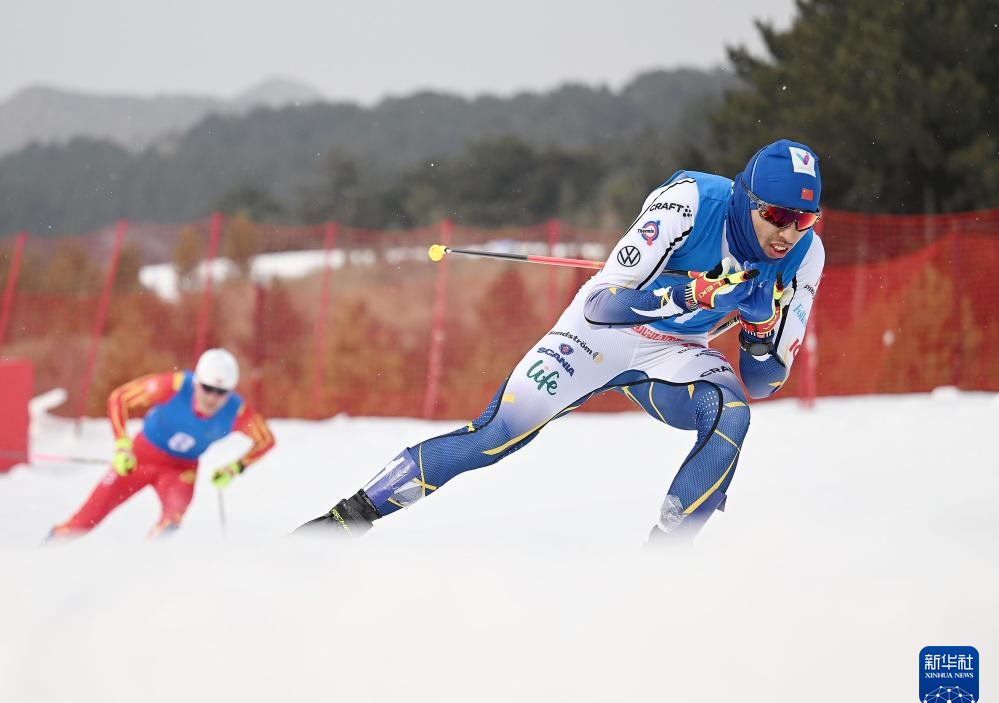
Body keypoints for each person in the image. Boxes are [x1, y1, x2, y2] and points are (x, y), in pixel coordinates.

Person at [297, 139, 824, 543]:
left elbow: (762, 380)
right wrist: (692, 292)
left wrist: (758, 332)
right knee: (496, 435)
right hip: (597, 334)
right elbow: (602, 304)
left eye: (804, 219)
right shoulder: (688, 203)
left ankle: (663, 566)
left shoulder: (806, 257)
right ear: (743, 197)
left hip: (676, 354)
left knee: (732, 415)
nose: (787, 233)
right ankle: (344, 521)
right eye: (776, 215)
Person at [49, 348, 276, 539]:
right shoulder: (175, 386)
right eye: (207, 388)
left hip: (180, 471)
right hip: (138, 459)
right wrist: (122, 446)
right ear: (197, 383)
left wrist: (236, 467)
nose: (212, 398)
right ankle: (42, 557)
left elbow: (266, 440)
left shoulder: (236, 412)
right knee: (82, 524)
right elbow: (120, 398)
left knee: (170, 523)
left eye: (221, 392)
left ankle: (139, 575)